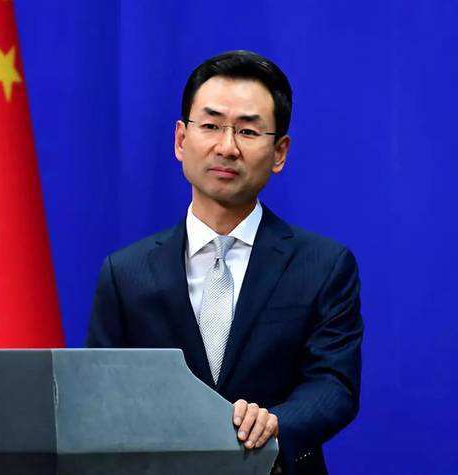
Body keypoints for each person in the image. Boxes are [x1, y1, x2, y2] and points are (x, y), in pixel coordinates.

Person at [86, 50, 363, 475]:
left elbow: (334, 384)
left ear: (279, 152)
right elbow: (101, 394)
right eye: (211, 125)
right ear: (181, 140)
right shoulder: (126, 274)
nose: (227, 147)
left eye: (248, 131)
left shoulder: (323, 265)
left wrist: (275, 424)